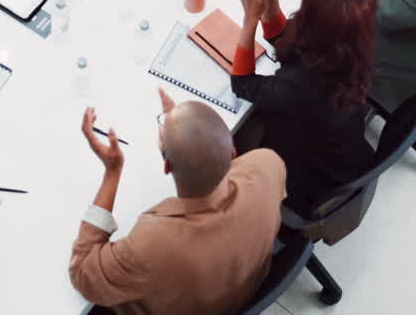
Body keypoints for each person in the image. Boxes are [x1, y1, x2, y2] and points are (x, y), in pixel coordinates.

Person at [69, 90, 286, 314]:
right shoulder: (267, 164)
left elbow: (82, 272)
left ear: (167, 167)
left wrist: (112, 172)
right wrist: (189, 132)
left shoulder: (156, 242)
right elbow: (223, 163)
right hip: (238, 291)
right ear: (232, 151)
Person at [228, 0, 378, 215]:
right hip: (339, 156)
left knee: (226, 135)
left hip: (304, 184)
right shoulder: (350, 45)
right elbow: (285, 40)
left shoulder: (302, 85)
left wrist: (251, 19)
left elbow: (243, 84)